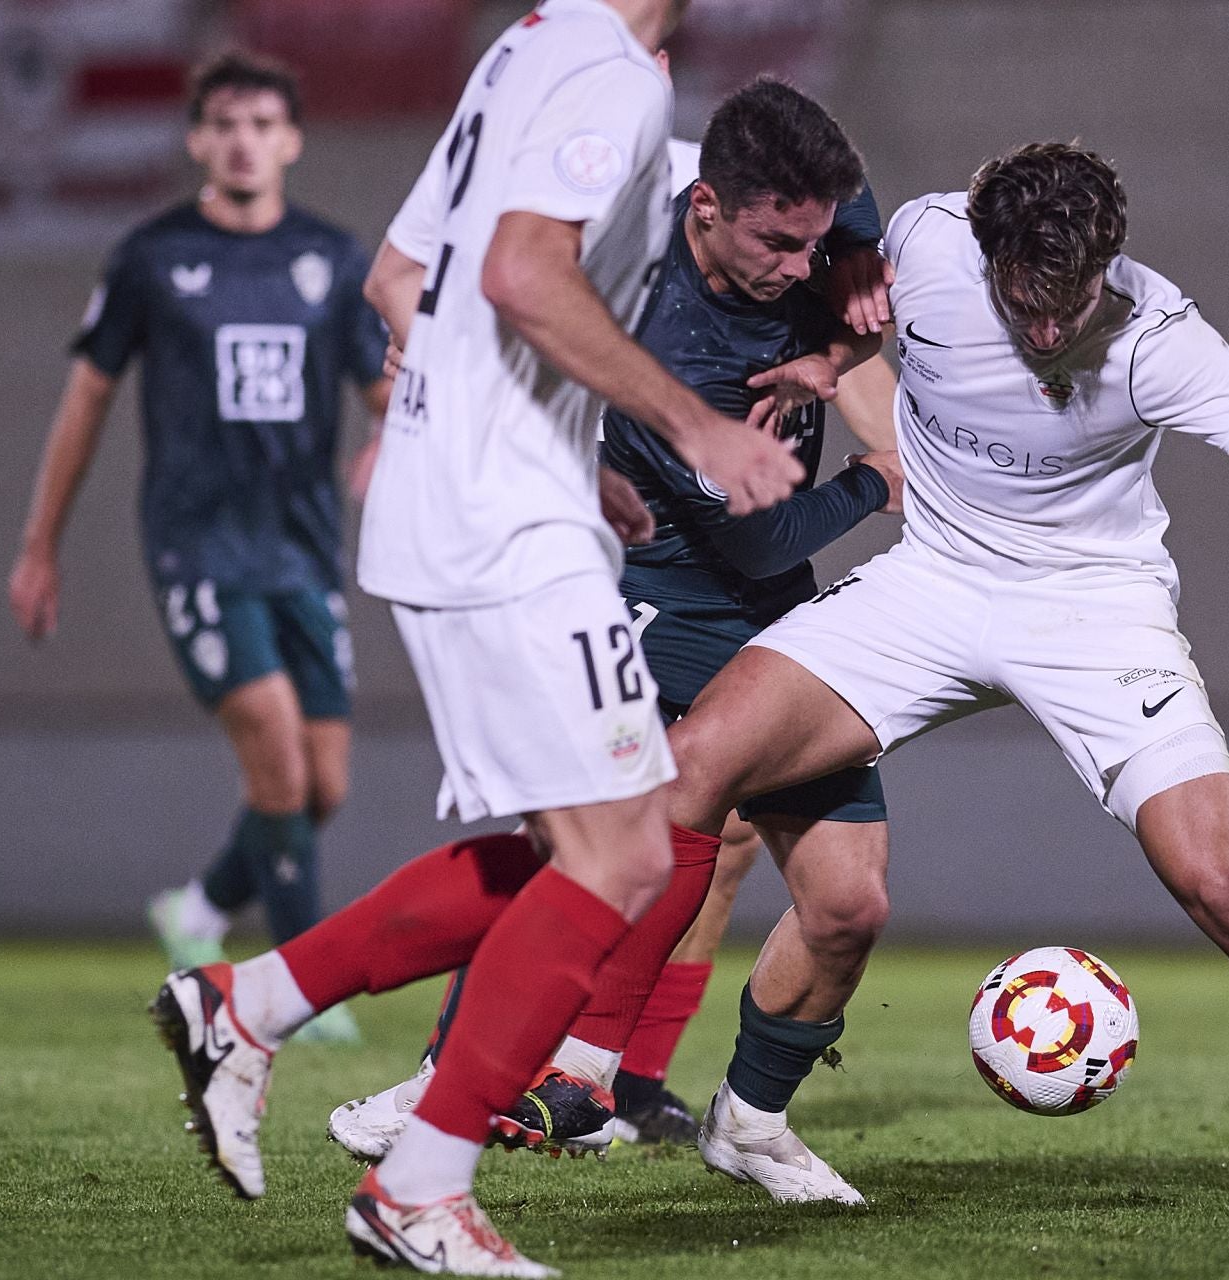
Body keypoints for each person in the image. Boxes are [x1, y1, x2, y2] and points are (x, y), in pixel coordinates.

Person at [656, 142, 1229, 1212]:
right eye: (1024, 304)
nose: (1048, 333)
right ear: (981, 253)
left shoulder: (1157, 335)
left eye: (1070, 304)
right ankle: (626, 1082)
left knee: (1220, 875)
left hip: (1095, 607)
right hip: (934, 582)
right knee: (694, 763)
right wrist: (834, 353)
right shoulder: (925, 241)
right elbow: (846, 295)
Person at [147, 1, 804, 1273]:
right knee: (625, 855)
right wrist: (692, 429)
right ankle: (420, 1187)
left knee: (575, 846)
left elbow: (401, 275)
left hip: (494, 501)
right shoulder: (607, 76)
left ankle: (249, 1003)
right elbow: (516, 273)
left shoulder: (523, 49)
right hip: (504, 528)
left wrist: (550, 445)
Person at [326, 77, 899, 1163]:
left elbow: (845, 196)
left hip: (770, 612)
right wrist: (877, 479)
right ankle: (459, 1072)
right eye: (780, 245)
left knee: (848, 896)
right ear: (704, 210)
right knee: (588, 851)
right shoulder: (672, 338)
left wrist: (845, 292)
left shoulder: (774, 207)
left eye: (811, 242)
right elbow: (759, 538)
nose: (799, 267)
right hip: (663, 594)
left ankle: (738, 1119)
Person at [7, 52, 389, 1045]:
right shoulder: (151, 256)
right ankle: (301, 989)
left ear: (292, 140)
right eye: (224, 122)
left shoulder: (334, 261)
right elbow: (86, 398)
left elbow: (385, 391)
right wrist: (39, 544)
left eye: (263, 123)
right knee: (273, 746)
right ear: (195, 139)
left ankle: (203, 909)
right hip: (199, 547)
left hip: (302, 552)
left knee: (321, 785)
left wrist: (399, 436)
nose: (243, 139)